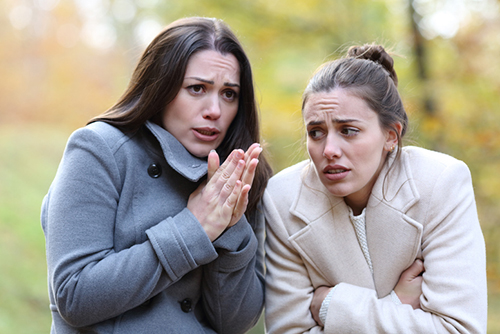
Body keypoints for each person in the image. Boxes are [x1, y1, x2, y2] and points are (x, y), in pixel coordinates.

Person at [41, 17, 272, 333]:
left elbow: (235, 323)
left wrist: (230, 228)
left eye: (229, 93)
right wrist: (195, 228)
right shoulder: (100, 149)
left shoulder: (240, 173)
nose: (215, 110)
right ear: (160, 87)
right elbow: (75, 295)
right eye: (197, 88)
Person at [263, 44, 487, 333]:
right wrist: (396, 303)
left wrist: (332, 306)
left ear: (391, 136)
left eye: (348, 131)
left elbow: (459, 328)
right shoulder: (282, 199)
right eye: (315, 132)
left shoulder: (440, 182)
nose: (329, 149)